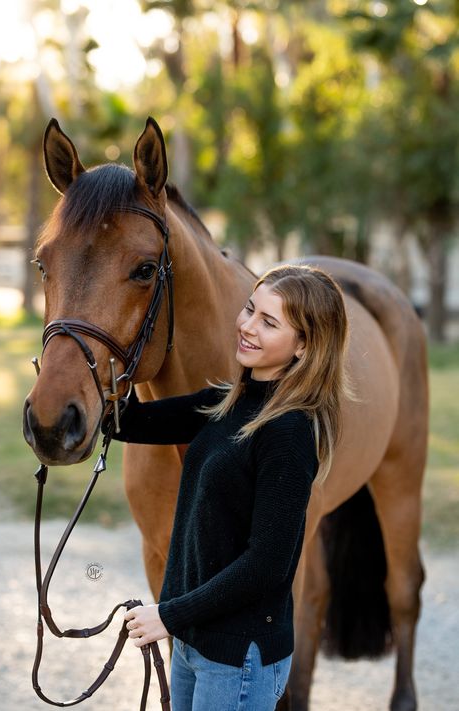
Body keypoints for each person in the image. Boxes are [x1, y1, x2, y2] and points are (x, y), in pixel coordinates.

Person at [111, 264, 353, 711]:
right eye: (250, 309)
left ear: (304, 346)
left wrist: (168, 615)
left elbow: (267, 564)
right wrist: (69, 370)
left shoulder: (288, 434)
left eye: (269, 322)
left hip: (238, 659)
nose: (247, 326)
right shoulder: (228, 401)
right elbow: (128, 421)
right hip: (193, 642)